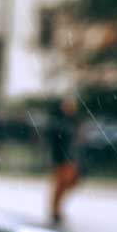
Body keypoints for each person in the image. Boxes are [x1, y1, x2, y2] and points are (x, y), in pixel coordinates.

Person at [47, 94, 83, 225]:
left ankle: (56, 209)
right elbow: (56, 141)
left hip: (71, 158)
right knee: (61, 184)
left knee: (69, 183)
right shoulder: (59, 122)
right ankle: (55, 210)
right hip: (62, 158)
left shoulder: (74, 121)